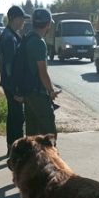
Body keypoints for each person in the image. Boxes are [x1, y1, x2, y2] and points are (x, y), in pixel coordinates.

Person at [23, 8, 60, 137]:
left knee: (32, 137)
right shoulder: (39, 42)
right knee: (49, 137)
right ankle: (50, 158)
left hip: (28, 93)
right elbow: (43, 73)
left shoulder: (27, 38)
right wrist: (51, 91)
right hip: (39, 94)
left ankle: (31, 158)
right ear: (48, 24)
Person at [0, 5, 26, 155]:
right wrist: (15, 90)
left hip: (9, 84)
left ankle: (11, 147)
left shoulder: (9, 35)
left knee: (13, 116)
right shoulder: (9, 38)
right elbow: (10, 67)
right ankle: (17, 151)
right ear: (14, 19)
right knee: (18, 118)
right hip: (12, 85)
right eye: (22, 19)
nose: (23, 22)